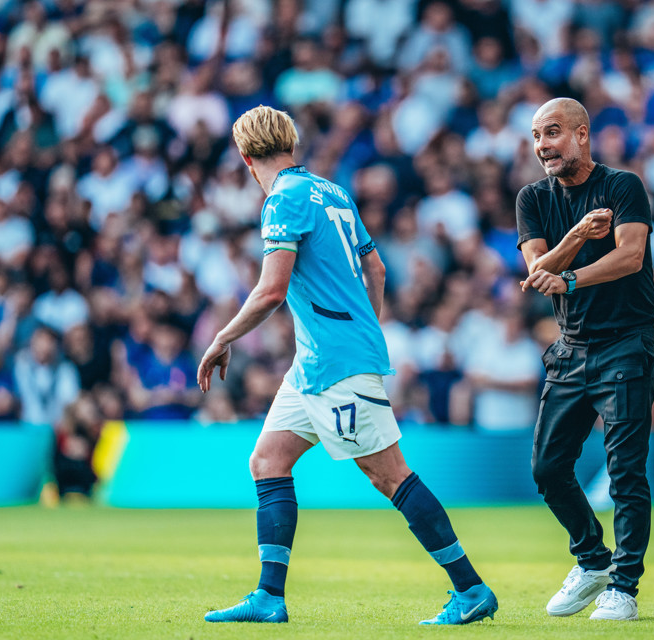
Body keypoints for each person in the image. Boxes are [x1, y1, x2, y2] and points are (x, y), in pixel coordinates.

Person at [196, 106, 497, 626]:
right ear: (290, 142)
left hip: (336, 361)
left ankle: (470, 588)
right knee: (267, 460)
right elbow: (374, 267)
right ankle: (269, 597)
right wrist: (366, 327)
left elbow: (271, 289)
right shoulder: (333, 192)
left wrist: (222, 337)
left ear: (246, 158)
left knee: (391, 477)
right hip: (315, 361)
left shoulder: (280, 200)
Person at [516, 98, 654, 621]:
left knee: (625, 471)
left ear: (582, 135)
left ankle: (623, 586)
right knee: (547, 468)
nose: (542, 146)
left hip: (626, 342)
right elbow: (536, 271)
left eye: (552, 133)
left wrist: (571, 275)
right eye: (536, 136)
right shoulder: (532, 198)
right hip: (571, 348)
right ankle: (592, 559)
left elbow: (630, 256)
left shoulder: (622, 187)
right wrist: (576, 236)